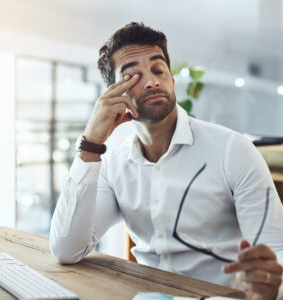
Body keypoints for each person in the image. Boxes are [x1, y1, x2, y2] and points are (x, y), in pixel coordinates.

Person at [50, 22, 283, 299]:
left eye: (159, 70)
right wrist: (90, 143)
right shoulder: (114, 165)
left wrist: (269, 281)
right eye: (132, 77)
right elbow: (67, 249)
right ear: (115, 95)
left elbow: (275, 252)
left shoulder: (233, 150)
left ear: (171, 80)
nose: (152, 81)